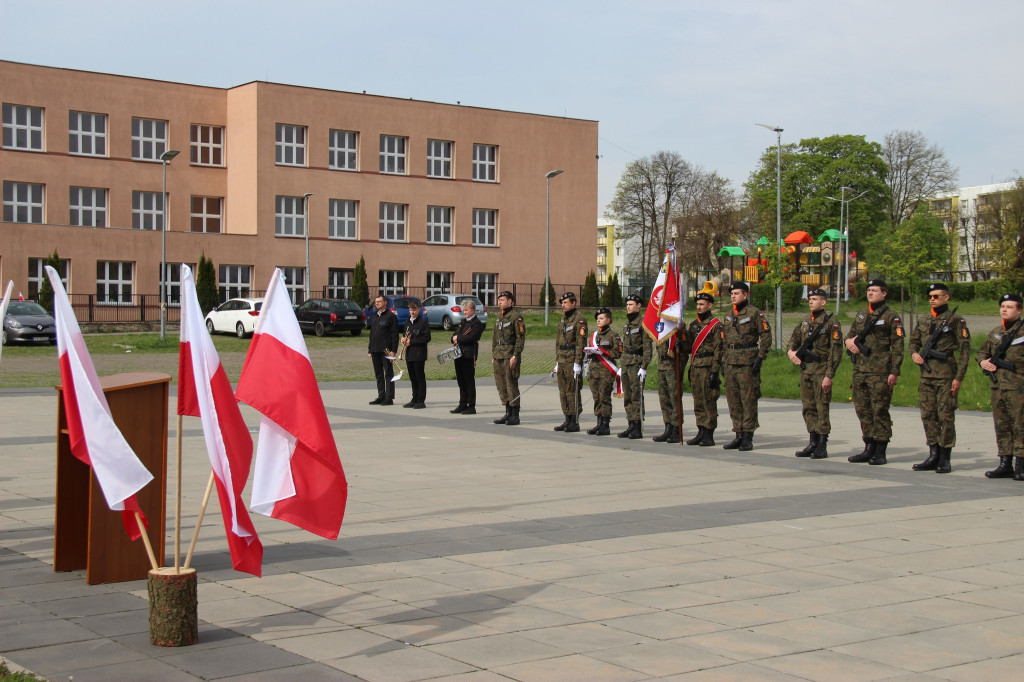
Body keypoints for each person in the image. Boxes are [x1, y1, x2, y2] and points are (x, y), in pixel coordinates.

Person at [908, 283, 971, 473]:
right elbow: (913, 342)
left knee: (946, 416)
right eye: (930, 296)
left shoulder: (955, 320)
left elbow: (964, 351)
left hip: (946, 375)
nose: (932, 299)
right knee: (928, 415)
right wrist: (914, 354)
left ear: (946, 297)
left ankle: (945, 457)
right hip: (926, 376)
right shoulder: (924, 319)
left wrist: (958, 378)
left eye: (936, 296)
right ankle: (933, 453)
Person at [845, 279, 904, 465]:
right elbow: (850, 335)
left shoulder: (891, 316)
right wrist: (848, 342)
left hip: (880, 371)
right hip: (860, 370)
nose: (870, 293)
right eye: (868, 290)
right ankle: (868, 446)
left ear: (884, 293)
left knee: (880, 410)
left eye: (874, 290)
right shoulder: (862, 314)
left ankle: (880, 450)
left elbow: (898, 347)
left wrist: (894, 372)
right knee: (863, 409)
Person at [787, 289, 843, 459]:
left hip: (821, 370)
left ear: (823, 302)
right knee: (808, 407)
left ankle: (822, 445)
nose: (811, 301)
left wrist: (829, 375)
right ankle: (812, 441)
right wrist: (791, 351)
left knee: (821, 407)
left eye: (815, 299)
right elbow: (794, 339)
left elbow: (835, 351)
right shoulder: (805, 321)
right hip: (806, 370)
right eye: (810, 299)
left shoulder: (831, 322)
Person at [720, 281, 772, 451]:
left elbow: (766, 336)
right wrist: (723, 360)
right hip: (731, 361)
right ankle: (738, 434)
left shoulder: (754, 313)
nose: (733, 296)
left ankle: (748, 436)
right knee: (733, 399)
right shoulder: (728, 315)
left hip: (747, 362)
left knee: (748, 399)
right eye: (732, 294)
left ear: (745, 294)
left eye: (736, 293)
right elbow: (724, 340)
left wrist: (760, 357)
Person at [978, 293, 1024, 479]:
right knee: (1001, 424)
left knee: (1020, 425)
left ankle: (1020, 464)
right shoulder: (996, 332)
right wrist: (983, 362)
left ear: (1019, 311)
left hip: (1018, 387)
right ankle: (1005, 463)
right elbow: (982, 352)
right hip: (997, 387)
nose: (1004, 309)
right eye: (1002, 306)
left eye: (1009, 307)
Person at [686, 292, 722, 446]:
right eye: (697, 304)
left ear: (710, 305)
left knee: (709, 401)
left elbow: (719, 349)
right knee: (698, 401)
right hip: (696, 366)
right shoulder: (694, 325)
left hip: (708, 367)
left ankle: (709, 433)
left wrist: (715, 371)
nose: (699, 307)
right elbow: (689, 346)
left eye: (702, 304)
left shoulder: (715, 325)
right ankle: (700, 430)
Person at [617, 294, 652, 439]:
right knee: (628, 396)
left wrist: (644, 366)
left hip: (636, 363)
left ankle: (637, 426)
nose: (628, 307)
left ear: (639, 306)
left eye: (631, 304)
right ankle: (631, 423)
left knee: (636, 395)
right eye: (627, 305)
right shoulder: (627, 324)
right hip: (626, 363)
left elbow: (647, 347)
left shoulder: (643, 323)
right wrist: (621, 364)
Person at [584, 307, 622, 436]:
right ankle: (599, 422)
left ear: (609, 320)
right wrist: (589, 352)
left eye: (601, 318)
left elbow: (618, 353)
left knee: (604, 397)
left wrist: (603, 352)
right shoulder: (594, 335)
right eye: (597, 319)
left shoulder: (613, 336)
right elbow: (589, 353)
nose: (598, 320)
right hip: (594, 370)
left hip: (606, 371)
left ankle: (605, 424)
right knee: (596, 397)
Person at [554, 292, 588, 433]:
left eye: (566, 302)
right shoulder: (563, 319)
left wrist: (578, 362)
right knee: (562, 390)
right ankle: (567, 418)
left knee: (572, 390)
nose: (563, 305)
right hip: (562, 359)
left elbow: (581, 343)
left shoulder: (579, 320)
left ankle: (574, 420)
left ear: (573, 303)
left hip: (572, 359)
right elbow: (558, 341)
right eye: (562, 303)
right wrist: (557, 361)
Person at [491, 291, 527, 426]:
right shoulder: (499, 317)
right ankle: (507, 412)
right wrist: (493, 354)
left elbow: (520, 338)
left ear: (510, 301)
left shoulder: (516, 317)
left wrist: (515, 355)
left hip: (509, 355)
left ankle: (515, 414)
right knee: (501, 384)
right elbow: (495, 337)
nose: (499, 302)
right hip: (499, 354)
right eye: (499, 300)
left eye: (502, 300)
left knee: (510, 384)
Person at [652, 326, 691, 443]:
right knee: (664, 398)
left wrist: (681, 344)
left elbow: (688, 348)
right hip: (662, 365)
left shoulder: (679, 330)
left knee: (675, 398)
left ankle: (676, 428)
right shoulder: (662, 329)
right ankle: (668, 426)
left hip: (674, 366)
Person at [450, 298, 485, 414]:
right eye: (463, 310)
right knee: (461, 381)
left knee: (469, 381)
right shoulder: (463, 322)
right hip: (458, 354)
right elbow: (455, 334)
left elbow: (472, 337)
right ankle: (462, 404)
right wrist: (454, 338)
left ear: (473, 310)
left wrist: (458, 338)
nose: (464, 312)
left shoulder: (477, 324)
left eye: (466, 310)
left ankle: (471, 406)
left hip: (469, 355)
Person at [367, 295, 399, 406]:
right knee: (378, 374)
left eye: (379, 301)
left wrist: (393, 350)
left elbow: (395, 335)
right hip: (375, 349)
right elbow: (372, 334)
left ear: (385, 303)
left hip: (386, 351)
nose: (377, 303)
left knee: (388, 374)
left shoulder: (391, 316)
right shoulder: (375, 316)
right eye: (376, 302)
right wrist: (370, 349)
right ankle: (381, 396)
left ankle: (389, 397)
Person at [401, 300, 431, 409]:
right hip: (409, 354)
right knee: (413, 378)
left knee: (419, 377)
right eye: (410, 310)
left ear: (418, 310)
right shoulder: (407, 323)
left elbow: (426, 338)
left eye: (414, 310)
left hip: (419, 354)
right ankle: (414, 399)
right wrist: (403, 339)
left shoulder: (423, 322)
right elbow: (405, 335)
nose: (412, 312)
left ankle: (421, 401)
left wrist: (412, 342)